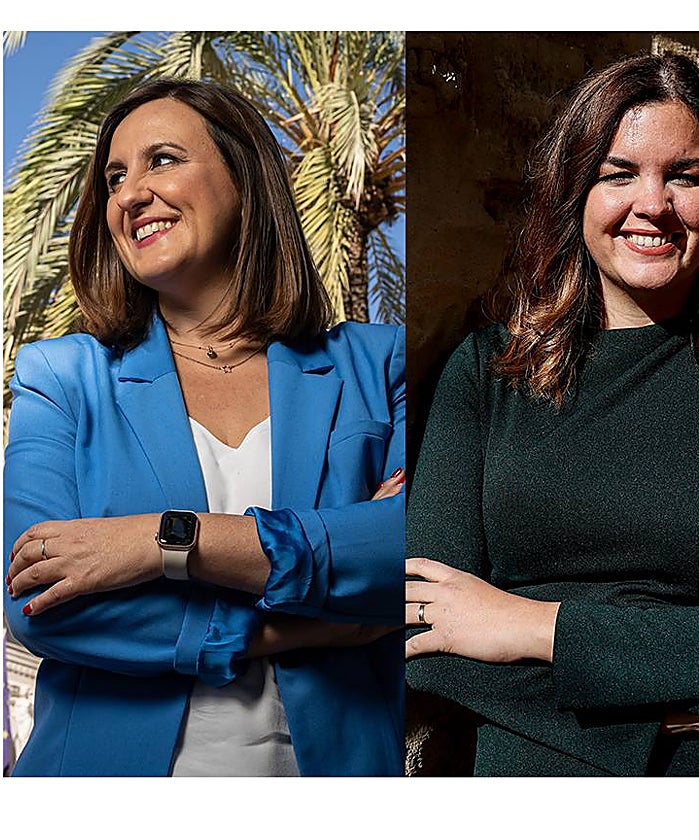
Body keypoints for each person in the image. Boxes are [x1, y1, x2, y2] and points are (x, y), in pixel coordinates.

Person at [403, 53, 699, 776]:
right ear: (574, 192)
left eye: (685, 175)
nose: (653, 204)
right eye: (618, 174)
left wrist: (523, 625)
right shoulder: (488, 375)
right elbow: (422, 633)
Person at [3, 79, 406, 776]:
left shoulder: (378, 364)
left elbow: (412, 553)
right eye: (115, 177)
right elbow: (35, 600)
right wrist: (298, 624)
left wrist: (158, 540)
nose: (129, 194)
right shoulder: (61, 377)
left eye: (162, 160)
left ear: (245, 178)